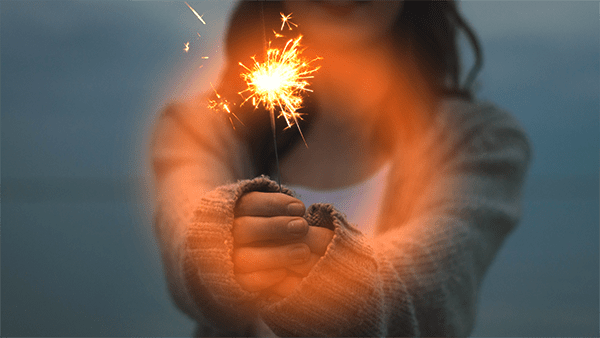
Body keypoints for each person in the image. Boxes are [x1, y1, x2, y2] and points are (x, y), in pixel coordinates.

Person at [150, 1, 531, 336]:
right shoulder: (198, 127)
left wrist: (340, 282)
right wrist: (220, 241)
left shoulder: (480, 142)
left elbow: (440, 280)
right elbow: (184, 231)